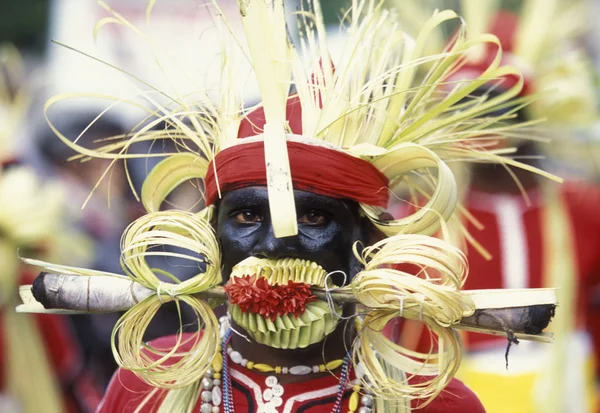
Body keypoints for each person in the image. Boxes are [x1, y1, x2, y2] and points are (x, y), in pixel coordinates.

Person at [20, 1, 559, 412]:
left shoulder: (434, 402)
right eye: (247, 217)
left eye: (317, 217)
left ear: (368, 244)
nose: (277, 243)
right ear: (213, 238)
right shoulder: (149, 382)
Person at [389, 5, 600, 413]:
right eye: (466, 111)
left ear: (529, 112)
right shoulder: (416, 220)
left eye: (496, 108)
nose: (483, 128)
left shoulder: (583, 209)